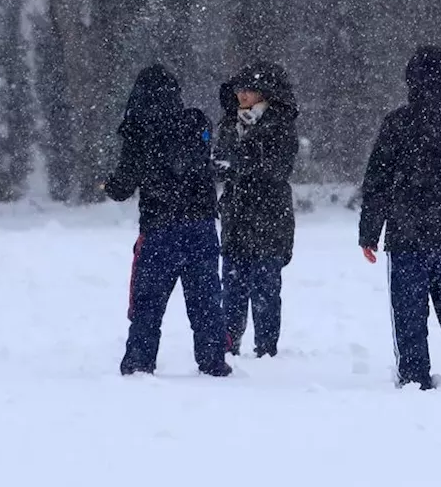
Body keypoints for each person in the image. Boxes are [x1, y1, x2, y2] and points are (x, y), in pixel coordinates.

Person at [358, 45, 441, 390]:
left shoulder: (397, 124)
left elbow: (378, 182)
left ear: (409, 80)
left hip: (407, 236)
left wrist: (370, 231)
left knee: (409, 315)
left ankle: (414, 378)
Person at [104, 64, 233, 377]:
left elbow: (123, 185)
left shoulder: (138, 129)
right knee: (205, 301)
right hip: (201, 225)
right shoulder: (195, 122)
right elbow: (207, 164)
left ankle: (139, 362)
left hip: (160, 227)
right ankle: (213, 360)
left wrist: (110, 185)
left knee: (148, 302)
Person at [212, 61, 299, 358]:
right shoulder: (228, 124)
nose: (242, 95)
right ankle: (228, 345)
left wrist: (239, 165)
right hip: (236, 217)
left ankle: (266, 349)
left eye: (248, 90)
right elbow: (218, 164)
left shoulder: (280, 125)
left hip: (270, 216)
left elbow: (278, 169)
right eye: (239, 90)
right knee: (232, 287)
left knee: (266, 288)